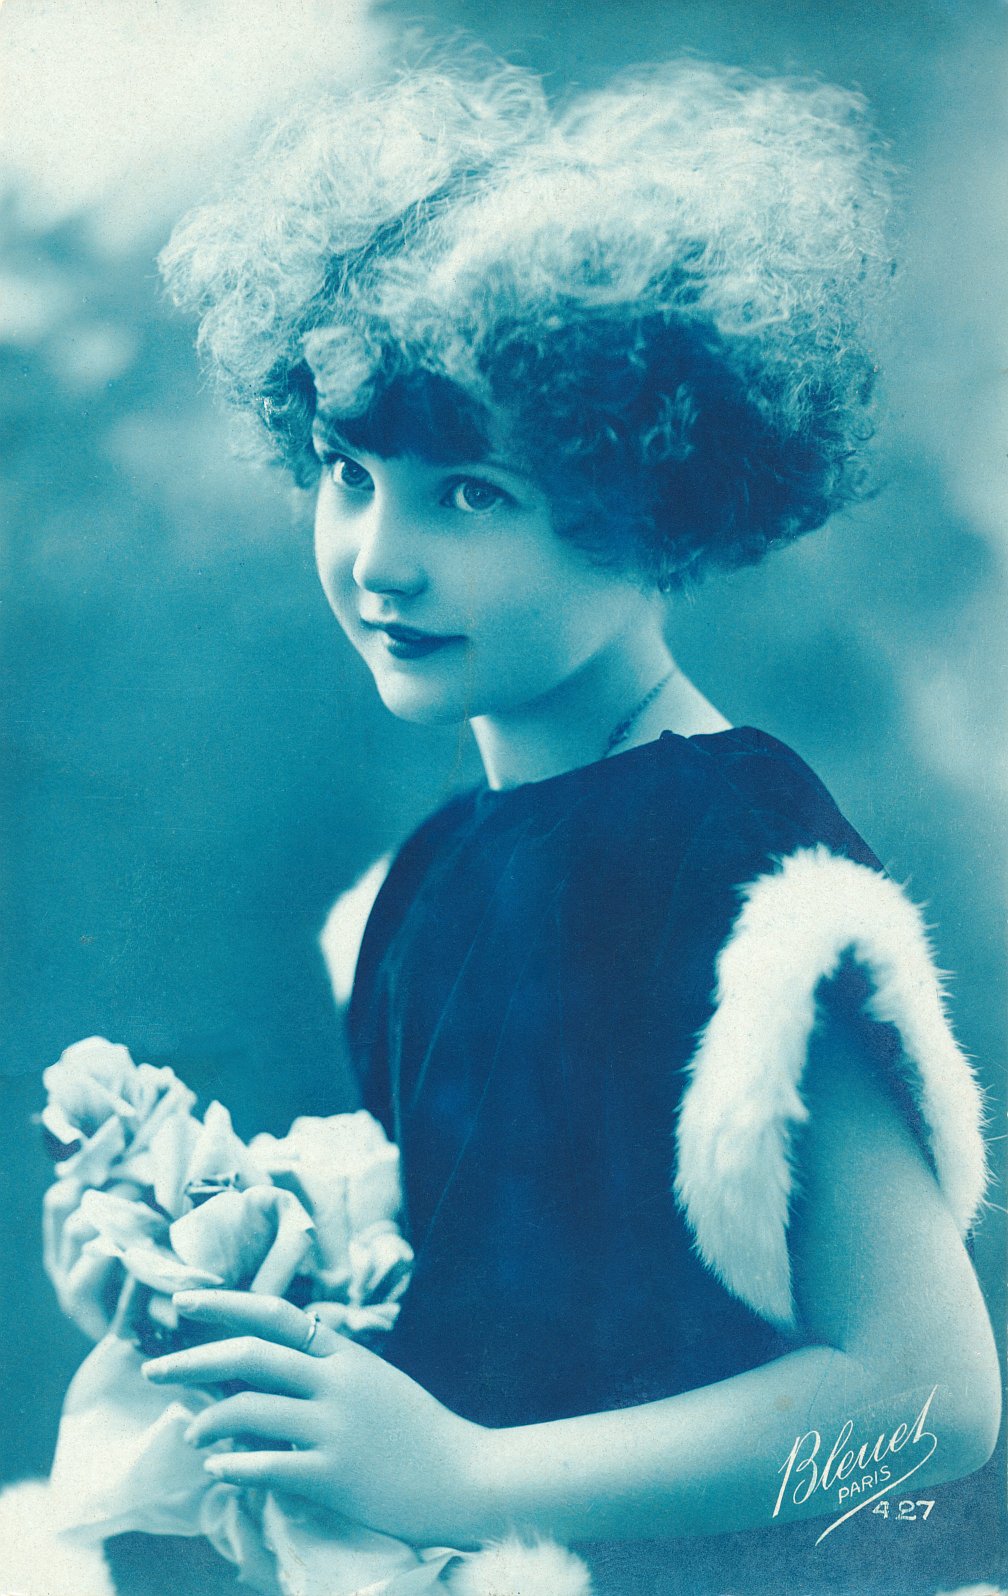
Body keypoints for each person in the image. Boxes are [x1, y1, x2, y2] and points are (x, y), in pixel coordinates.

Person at [62, 49, 1003, 1596]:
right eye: (349, 473)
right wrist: (191, 1288)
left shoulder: (736, 851)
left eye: (471, 493)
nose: (381, 556)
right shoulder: (426, 884)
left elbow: (931, 1402)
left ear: (657, 499)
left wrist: (469, 1477)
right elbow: (474, 1315)